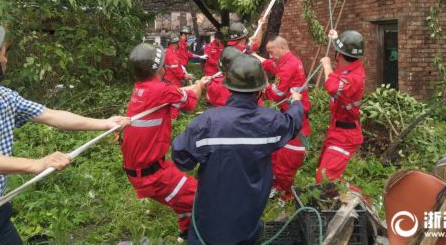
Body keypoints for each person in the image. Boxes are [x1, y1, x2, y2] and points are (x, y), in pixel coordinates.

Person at [0, 22, 129, 244]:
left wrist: (104, 123)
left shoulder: (3, 97)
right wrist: (36, 164)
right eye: (4, 54)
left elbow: (51, 115)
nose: (6, 60)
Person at [172, 55, 304, 245]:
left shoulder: (206, 122)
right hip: (248, 217)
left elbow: (181, 158)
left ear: (228, 86)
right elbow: (293, 123)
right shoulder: (271, 121)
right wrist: (296, 102)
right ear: (260, 90)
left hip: (209, 217)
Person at [121, 43, 210, 240]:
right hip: (153, 175)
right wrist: (200, 86)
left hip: (144, 169)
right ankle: (207, 236)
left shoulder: (142, 89)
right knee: (201, 196)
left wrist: (194, 85)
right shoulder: (161, 91)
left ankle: (186, 231)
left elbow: (174, 92)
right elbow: (191, 101)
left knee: (182, 196)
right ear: (160, 68)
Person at [254, 36, 312, 200]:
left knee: (287, 158)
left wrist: (261, 89)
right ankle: (276, 185)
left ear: (282, 48)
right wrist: (253, 54)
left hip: (295, 118)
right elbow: (269, 64)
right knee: (276, 154)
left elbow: (276, 93)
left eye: (272, 52)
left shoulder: (289, 66)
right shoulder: (287, 61)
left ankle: (285, 193)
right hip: (288, 114)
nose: (271, 55)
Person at [316, 29, 365, 183]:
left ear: (339, 55)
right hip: (337, 129)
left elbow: (332, 86)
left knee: (325, 178)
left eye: (337, 53)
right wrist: (337, 38)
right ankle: (328, 199)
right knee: (322, 170)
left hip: (345, 136)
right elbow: (341, 66)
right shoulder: (349, 67)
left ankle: (359, 203)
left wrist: (326, 65)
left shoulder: (354, 78)